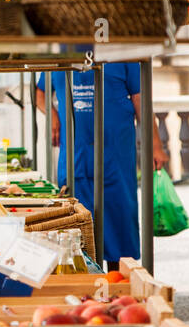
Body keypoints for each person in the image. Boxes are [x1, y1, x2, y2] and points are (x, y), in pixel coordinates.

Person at [35, 65, 168, 268]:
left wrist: (155, 144)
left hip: (116, 154)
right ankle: (88, 279)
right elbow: (39, 93)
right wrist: (52, 116)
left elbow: (140, 99)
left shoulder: (123, 53)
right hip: (75, 154)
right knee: (78, 221)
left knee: (119, 218)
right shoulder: (61, 53)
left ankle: (118, 280)